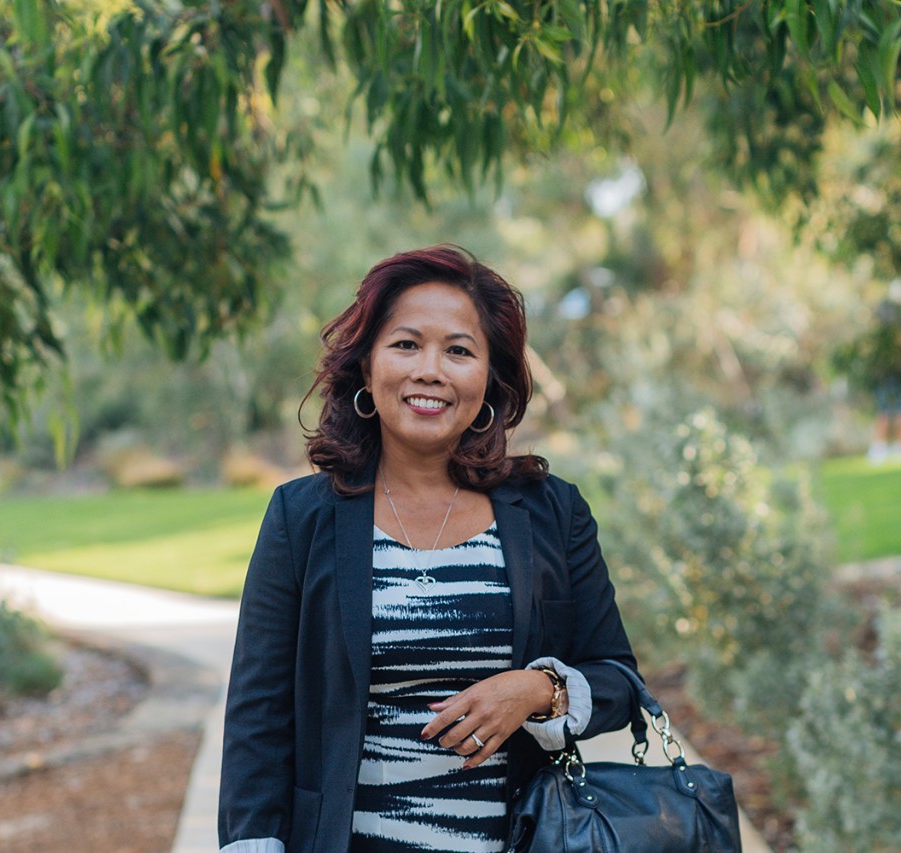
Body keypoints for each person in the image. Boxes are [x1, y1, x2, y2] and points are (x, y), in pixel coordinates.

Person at [217, 245, 641, 853]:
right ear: (367, 369)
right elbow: (258, 713)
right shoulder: (301, 517)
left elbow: (619, 681)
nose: (430, 370)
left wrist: (538, 690)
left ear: (489, 380)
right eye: (406, 344)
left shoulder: (553, 512)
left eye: (459, 351)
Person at [866, 278, 901, 464]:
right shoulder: (883, 313)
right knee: (884, 411)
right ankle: (878, 449)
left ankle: (900, 449)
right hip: (885, 373)